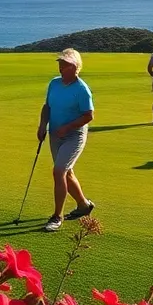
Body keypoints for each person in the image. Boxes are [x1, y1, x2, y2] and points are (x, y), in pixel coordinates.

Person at [37, 48, 96, 232]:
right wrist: (42, 125)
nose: (61, 66)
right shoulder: (54, 84)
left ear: (75, 66)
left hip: (74, 136)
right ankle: (84, 206)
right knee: (66, 172)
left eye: (65, 63)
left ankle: (57, 216)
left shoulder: (81, 89)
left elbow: (89, 116)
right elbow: (47, 107)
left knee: (59, 170)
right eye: (60, 63)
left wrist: (67, 127)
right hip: (55, 134)